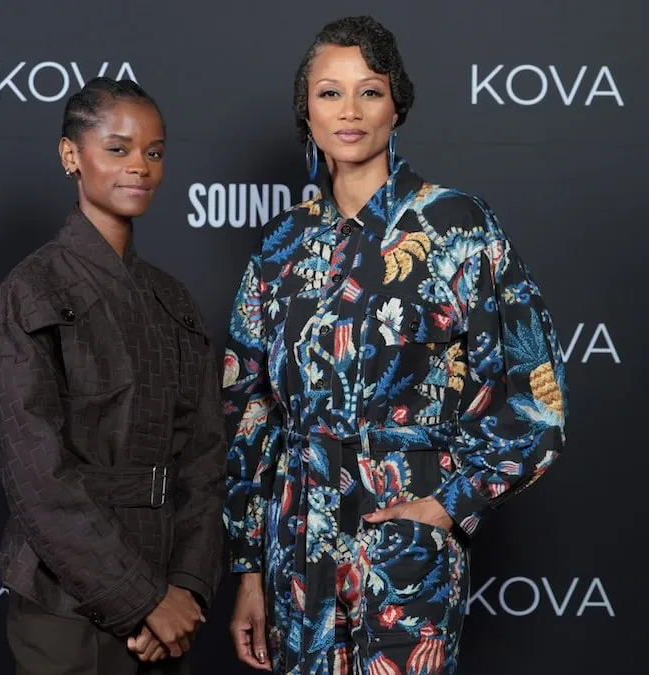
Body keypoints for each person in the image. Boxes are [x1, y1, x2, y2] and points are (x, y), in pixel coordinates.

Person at [222, 15, 569, 674]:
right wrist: (246, 567)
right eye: (329, 92)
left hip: (406, 554)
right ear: (307, 111)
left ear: (396, 104)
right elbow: (250, 411)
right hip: (296, 555)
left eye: (369, 91)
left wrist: (448, 504)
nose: (349, 111)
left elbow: (536, 400)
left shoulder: (455, 225)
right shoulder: (279, 246)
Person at [0, 77, 227, 675]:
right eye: (117, 148)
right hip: (67, 606)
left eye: (154, 152)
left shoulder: (173, 298)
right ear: (71, 155)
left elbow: (205, 456)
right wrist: (139, 601)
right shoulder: (29, 291)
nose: (139, 166)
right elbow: (38, 474)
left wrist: (186, 590)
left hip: (170, 603)